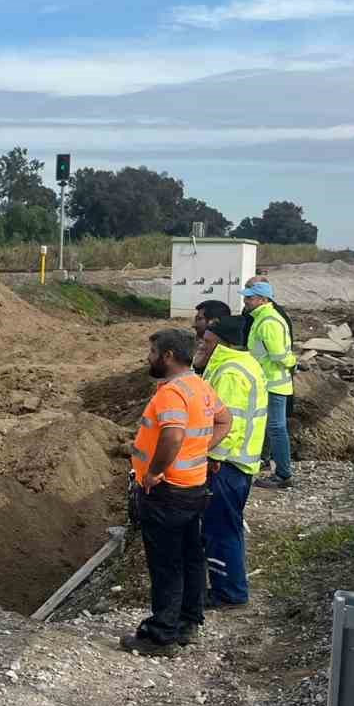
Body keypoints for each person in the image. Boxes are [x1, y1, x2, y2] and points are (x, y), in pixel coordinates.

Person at [121, 329, 232, 657]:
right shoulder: (200, 386)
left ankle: (161, 635)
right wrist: (200, 451)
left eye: (152, 351)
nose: (148, 357)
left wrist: (154, 472)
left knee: (167, 563)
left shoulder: (171, 394)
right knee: (190, 558)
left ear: (168, 355)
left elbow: (171, 437)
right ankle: (187, 623)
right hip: (194, 487)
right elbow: (225, 421)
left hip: (167, 493)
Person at [194, 312, 267, 609]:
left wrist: (211, 458)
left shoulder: (230, 374)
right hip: (236, 466)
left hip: (227, 466)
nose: (201, 344)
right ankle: (230, 587)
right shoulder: (237, 364)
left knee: (220, 530)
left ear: (221, 343)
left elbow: (228, 426)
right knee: (226, 528)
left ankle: (229, 593)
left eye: (207, 340)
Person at [242, 281, 295, 489]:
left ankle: (283, 475)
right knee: (269, 426)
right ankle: (267, 463)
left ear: (263, 300)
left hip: (273, 383)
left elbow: (279, 356)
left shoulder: (268, 321)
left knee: (276, 428)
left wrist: (293, 362)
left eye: (249, 297)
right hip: (267, 382)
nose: (245, 301)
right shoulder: (261, 317)